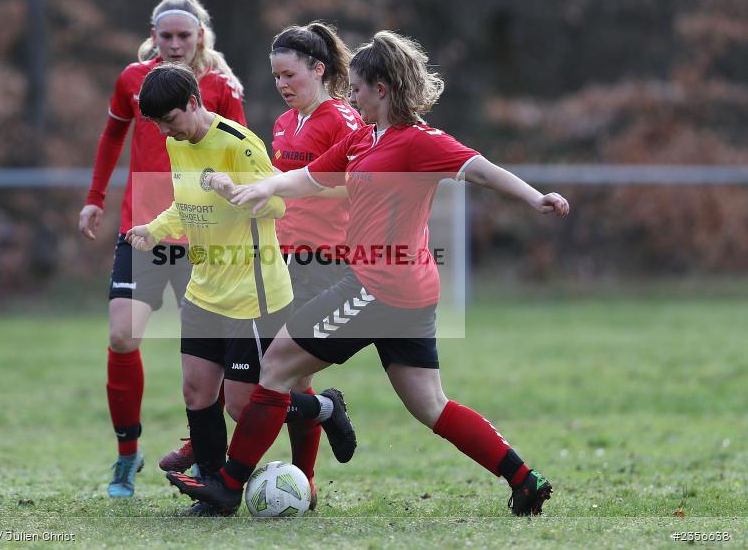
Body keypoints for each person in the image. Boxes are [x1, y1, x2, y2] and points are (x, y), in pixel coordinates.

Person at [166, 31, 570, 516]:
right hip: (407, 292)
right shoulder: (364, 138)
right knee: (430, 405)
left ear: (383, 88)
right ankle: (524, 478)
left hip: (378, 290)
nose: (351, 95)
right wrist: (262, 189)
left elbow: (480, 169)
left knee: (274, 367)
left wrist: (535, 197)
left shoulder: (419, 141)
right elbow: (310, 177)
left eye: (357, 87)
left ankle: (228, 486)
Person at [125, 62, 356, 516]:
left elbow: (277, 203)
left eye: (170, 119)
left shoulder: (239, 145)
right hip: (203, 288)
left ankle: (325, 409)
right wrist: (154, 229)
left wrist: (234, 191)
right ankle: (212, 485)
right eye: (156, 125)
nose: (165, 131)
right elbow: (186, 204)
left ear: (193, 102)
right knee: (196, 391)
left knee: (242, 405)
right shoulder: (177, 143)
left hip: (253, 294)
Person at [77, 0, 245, 499]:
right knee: (124, 335)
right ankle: (128, 454)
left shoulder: (219, 86)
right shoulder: (132, 79)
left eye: (184, 36)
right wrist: (95, 197)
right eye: (166, 36)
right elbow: (111, 138)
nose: (175, 44)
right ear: (154, 37)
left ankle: (203, 452)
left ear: (200, 37)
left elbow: (242, 155)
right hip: (144, 230)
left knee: (207, 357)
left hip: (201, 235)